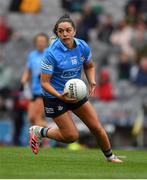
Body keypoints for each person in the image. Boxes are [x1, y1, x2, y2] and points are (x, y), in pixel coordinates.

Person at [29, 15, 122, 163]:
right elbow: (44, 83)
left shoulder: (82, 46)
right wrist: (60, 96)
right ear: (57, 33)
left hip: (75, 92)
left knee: (96, 127)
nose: (65, 34)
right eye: (61, 31)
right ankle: (39, 131)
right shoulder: (51, 53)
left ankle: (110, 157)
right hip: (54, 97)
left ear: (74, 31)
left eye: (68, 30)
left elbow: (89, 66)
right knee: (71, 136)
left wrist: (91, 80)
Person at [20, 33, 49, 127]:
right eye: (38, 41)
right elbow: (28, 71)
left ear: (46, 43)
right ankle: (43, 136)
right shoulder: (32, 55)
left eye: (42, 41)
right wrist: (23, 81)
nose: (40, 43)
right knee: (31, 118)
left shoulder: (49, 54)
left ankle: (48, 137)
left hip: (45, 90)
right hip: (34, 91)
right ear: (35, 43)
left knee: (37, 117)